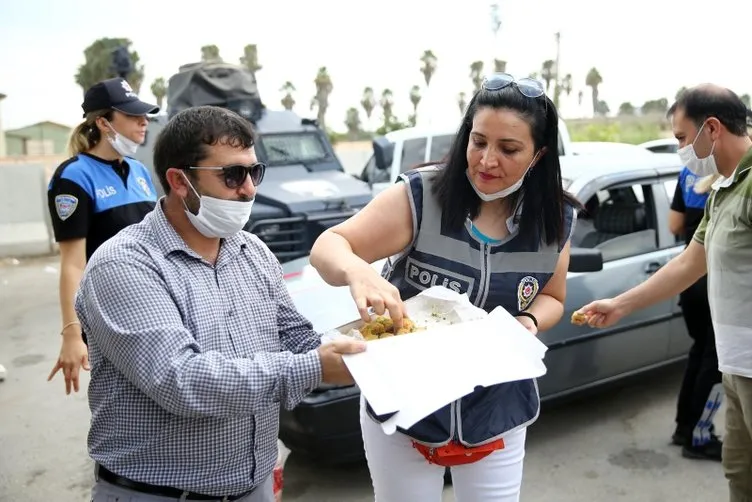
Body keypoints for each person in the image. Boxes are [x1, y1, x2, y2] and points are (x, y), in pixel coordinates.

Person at [309, 73, 579, 502]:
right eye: (478, 141)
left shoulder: (555, 220)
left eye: (509, 149)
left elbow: (552, 297)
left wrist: (527, 321)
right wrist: (358, 272)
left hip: (498, 408)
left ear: (539, 154)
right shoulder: (422, 197)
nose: (487, 160)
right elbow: (330, 245)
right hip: (405, 407)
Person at [73, 105, 365, 502]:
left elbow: (293, 335)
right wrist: (316, 367)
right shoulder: (123, 266)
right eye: (232, 175)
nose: (248, 189)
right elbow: (182, 381)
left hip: (255, 487)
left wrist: (368, 344)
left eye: (253, 172)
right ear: (179, 180)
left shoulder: (252, 250)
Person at [575, 84, 752, 502]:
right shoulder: (724, 187)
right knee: (741, 473)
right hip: (735, 365)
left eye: (680, 137)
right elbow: (690, 263)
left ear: (712, 128)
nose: (680, 149)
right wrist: (620, 304)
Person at [46, 77, 160, 395]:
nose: (143, 121)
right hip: (108, 316)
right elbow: (72, 264)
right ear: (103, 123)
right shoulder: (74, 176)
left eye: (144, 115)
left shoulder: (139, 172)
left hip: (151, 305)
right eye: (132, 115)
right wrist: (72, 333)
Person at [668, 163, 723, 461]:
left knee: (699, 351)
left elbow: (674, 225)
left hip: (690, 278)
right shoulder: (735, 176)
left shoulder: (688, 173)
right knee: (715, 363)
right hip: (715, 277)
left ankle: (683, 428)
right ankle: (697, 437)